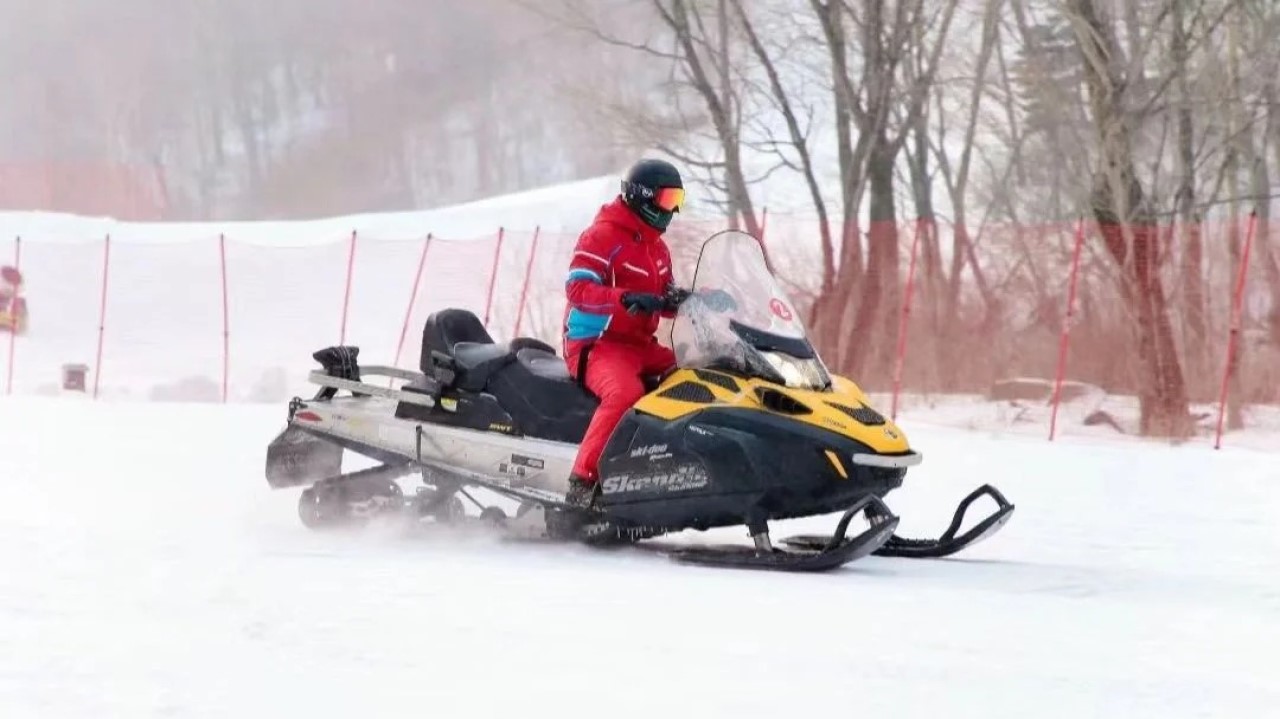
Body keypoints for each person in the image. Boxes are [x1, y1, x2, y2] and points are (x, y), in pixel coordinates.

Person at [560, 158, 689, 512]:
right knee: (625, 393)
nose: (673, 210)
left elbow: (663, 298)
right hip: (597, 344)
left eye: (679, 199)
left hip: (640, 346)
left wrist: (695, 301)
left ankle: (678, 469)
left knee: (696, 374)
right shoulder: (602, 236)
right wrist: (624, 298)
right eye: (667, 199)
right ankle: (582, 483)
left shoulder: (657, 248)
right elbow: (578, 290)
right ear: (641, 196)